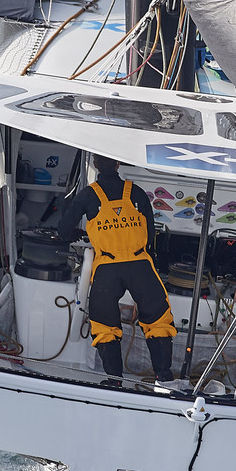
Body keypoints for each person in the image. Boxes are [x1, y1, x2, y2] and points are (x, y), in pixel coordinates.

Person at [53, 156, 178, 386]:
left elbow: (63, 230)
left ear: (94, 166)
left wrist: (78, 236)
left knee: (104, 325)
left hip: (107, 268)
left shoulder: (88, 195)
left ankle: (114, 380)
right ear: (119, 165)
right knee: (158, 318)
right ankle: (163, 377)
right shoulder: (137, 193)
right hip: (140, 264)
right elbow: (150, 234)